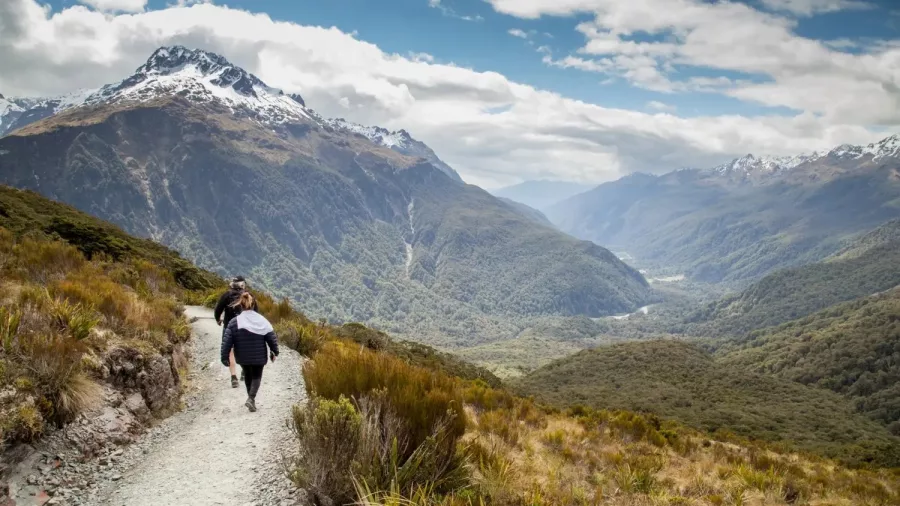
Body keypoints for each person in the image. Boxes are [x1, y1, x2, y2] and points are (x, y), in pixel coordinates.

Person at [220, 292, 279, 412]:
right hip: (259, 356)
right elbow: (271, 337)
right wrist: (275, 351)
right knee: (257, 376)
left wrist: (224, 356)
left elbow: (226, 341)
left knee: (247, 375)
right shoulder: (262, 321)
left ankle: (251, 399)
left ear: (240, 305)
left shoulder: (234, 322)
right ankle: (251, 398)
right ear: (254, 305)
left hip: (242, 356)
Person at [214, 276, 259, 388]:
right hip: (246, 328)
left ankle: (234, 377)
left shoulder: (226, 295)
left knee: (230, 352)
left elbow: (217, 310)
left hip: (230, 327)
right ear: (243, 285)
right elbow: (256, 312)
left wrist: (218, 320)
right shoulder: (249, 296)